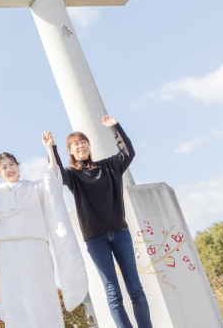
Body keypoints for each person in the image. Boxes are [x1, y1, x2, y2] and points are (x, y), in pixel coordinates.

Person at [0, 135, 88, 328]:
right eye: (4, 167)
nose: (9, 169)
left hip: (35, 247)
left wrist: (49, 149)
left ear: (18, 166)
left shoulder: (34, 187)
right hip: (8, 250)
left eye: (12, 164)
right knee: (15, 295)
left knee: (43, 291)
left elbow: (52, 177)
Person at [52, 115, 153, 328]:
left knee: (135, 287)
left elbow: (128, 152)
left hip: (120, 233)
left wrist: (114, 127)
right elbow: (57, 174)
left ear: (89, 145)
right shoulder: (73, 176)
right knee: (113, 292)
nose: (81, 146)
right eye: (76, 144)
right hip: (95, 240)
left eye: (83, 142)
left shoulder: (109, 166)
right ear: (70, 151)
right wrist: (51, 148)